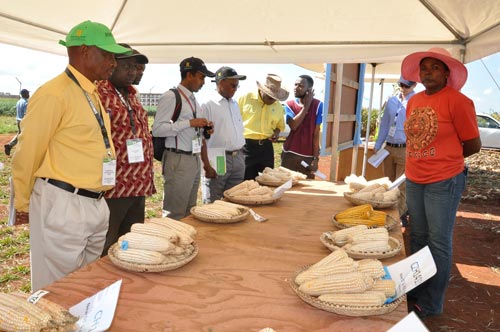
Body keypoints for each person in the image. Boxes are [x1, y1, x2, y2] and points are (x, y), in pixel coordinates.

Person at [11, 20, 130, 290]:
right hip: (64, 203)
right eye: (108, 54)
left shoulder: (92, 92)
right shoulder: (54, 94)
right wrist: (22, 202)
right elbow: (27, 152)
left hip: (95, 202)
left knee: (84, 286)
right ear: (85, 51)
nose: (113, 62)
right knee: (57, 289)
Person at [401, 47, 481, 319]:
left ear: (447, 73)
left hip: (443, 182)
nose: (428, 72)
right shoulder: (414, 101)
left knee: (438, 242)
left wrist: (443, 162)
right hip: (414, 178)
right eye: (425, 68)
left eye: (435, 67)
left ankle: (431, 303)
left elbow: (472, 144)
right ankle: (415, 292)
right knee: (417, 237)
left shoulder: (458, 101)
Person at [96, 44, 155, 256]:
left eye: (135, 66)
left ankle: (125, 282)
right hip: (115, 185)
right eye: (127, 66)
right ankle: (103, 285)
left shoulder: (131, 94)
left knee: (129, 242)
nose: (132, 71)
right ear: (111, 64)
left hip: (138, 183)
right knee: (106, 242)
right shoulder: (98, 93)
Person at [152, 56, 214, 220]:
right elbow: (158, 129)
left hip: (193, 158)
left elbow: (193, 128)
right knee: (175, 212)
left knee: (189, 210)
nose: (203, 82)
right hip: (177, 158)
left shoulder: (194, 100)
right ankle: (171, 243)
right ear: (189, 75)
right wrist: (189, 123)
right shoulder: (171, 97)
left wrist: (205, 129)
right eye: (201, 77)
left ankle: (184, 244)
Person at [200, 66, 247, 203]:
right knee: (213, 200)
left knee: (235, 200)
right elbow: (201, 137)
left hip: (238, 157)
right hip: (218, 157)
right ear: (220, 82)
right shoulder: (207, 104)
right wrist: (206, 165)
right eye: (233, 85)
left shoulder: (234, 104)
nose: (235, 88)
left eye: (237, 86)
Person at [373, 76, 416, 223]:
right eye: (402, 85)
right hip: (389, 148)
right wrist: (378, 144)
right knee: (389, 184)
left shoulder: (417, 101)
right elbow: (385, 124)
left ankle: (399, 216)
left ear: (414, 84)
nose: (404, 88)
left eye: (407, 85)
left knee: (401, 185)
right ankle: (392, 212)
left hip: (406, 149)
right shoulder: (391, 101)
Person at [238, 74, 288, 180]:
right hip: (247, 147)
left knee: (267, 180)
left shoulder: (278, 106)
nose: (273, 101)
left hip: (266, 148)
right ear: (262, 90)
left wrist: (276, 133)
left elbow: (279, 125)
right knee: (246, 181)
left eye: (275, 98)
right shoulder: (245, 99)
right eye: (270, 97)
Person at [281, 75, 323, 179]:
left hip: (307, 156)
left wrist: (316, 159)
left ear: (309, 89)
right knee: (286, 185)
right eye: (295, 84)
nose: (296, 87)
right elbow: (294, 125)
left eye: (300, 85)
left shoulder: (319, 105)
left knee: (306, 187)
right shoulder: (289, 104)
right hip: (289, 153)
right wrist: (306, 106)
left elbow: (316, 134)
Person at [4, 89, 29, 156]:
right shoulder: (26, 102)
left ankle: (10, 146)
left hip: (18, 120)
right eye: (28, 93)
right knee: (23, 135)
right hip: (23, 121)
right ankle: (10, 146)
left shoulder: (19, 102)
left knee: (20, 134)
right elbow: (25, 114)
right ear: (25, 94)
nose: (29, 94)